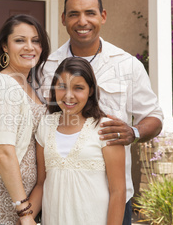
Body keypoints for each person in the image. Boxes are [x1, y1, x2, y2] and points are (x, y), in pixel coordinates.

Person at [41, 0, 164, 225]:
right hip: (59, 198)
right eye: (74, 14)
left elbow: (154, 117)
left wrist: (134, 132)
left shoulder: (127, 65)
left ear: (103, 16)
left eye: (90, 13)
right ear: (63, 19)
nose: (82, 21)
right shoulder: (48, 66)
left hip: (114, 196)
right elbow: (37, 123)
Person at [29, 57, 126, 224]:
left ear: (90, 91)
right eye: (62, 87)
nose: (68, 96)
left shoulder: (106, 128)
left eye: (78, 88)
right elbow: (40, 184)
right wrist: (25, 217)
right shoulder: (46, 125)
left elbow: (118, 191)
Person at [0, 14, 50, 225]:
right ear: (5, 47)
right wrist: (24, 212)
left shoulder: (30, 86)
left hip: (25, 204)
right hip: (1, 206)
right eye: (19, 40)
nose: (29, 47)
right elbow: (4, 152)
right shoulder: (3, 85)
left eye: (35, 41)